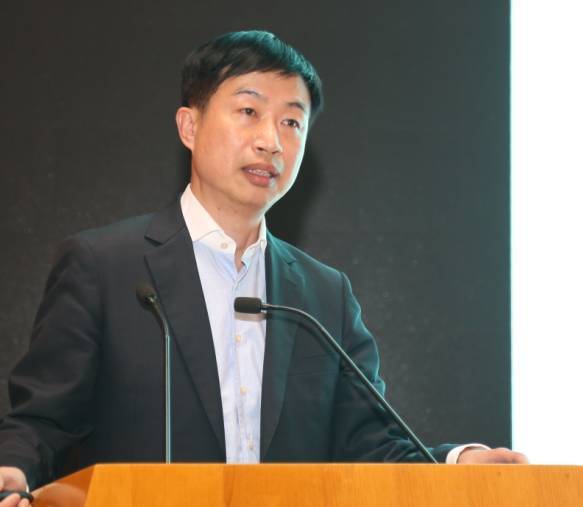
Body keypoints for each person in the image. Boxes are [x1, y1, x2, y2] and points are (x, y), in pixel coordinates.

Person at [0, 30, 526, 507]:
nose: (271, 140)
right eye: (249, 111)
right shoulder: (105, 266)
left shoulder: (323, 295)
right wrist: (14, 472)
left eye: (291, 122)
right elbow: (43, 420)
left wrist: (456, 463)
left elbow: (370, 445)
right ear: (189, 125)